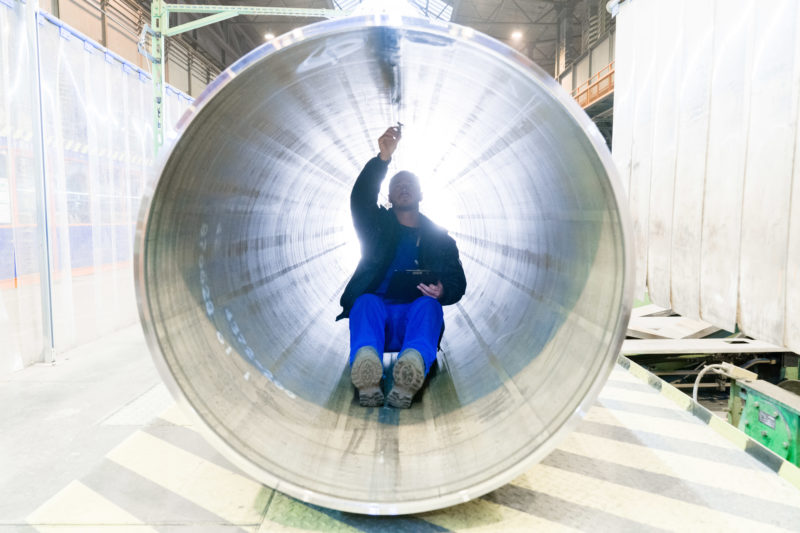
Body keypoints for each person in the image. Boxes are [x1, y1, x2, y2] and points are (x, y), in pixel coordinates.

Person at [336, 126, 467, 408]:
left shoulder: (440, 240)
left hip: (414, 319)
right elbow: (360, 199)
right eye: (396, 185)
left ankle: (411, 370)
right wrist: (382, 160)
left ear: (421, 194)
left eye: (409, 184)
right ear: (390, 197)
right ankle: (367, 368)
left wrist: (442, 290)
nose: (403, 187)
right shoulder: (376, 228)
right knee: (365, 301)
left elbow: (458, 283)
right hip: (377, 317)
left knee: (429, 306)